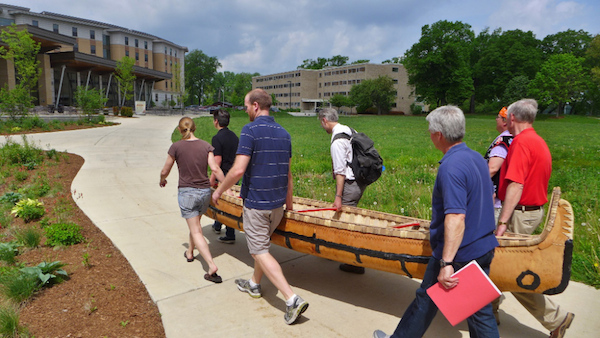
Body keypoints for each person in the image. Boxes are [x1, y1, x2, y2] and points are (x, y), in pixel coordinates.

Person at [374, 106, 499, 338]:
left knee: (426, 300)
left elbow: (456, 216)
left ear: (438, 135)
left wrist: (446, 263)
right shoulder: (477, 158)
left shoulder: (451, 167)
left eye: (430, 131)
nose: (429, 135)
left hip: (459, 254)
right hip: (483, 246)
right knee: (479, 313)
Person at [212, 89, 308, 325]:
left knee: (258, 251)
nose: (245, 110)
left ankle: (291, 299)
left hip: (257, 204)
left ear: (255, 106)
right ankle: (254, 284)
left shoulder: (250, 130)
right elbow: (288, 174)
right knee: (261, 244)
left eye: (246, 106)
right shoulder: (285, 133)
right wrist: (289, 205)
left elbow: (238, 170)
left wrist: (219, 190)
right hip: (277, 205)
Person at [495, 99, 574, 338]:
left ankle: (556, 319)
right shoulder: (538, 141)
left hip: (519, 213)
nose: (505, 119)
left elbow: (516, 185)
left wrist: (502, 222)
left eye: (507, 116)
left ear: (513, 119)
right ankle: (487, 311)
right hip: (530, 211)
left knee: (509, 270)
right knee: (494, 264)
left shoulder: (521, 143)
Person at [160, 117, 225, 284]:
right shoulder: (206, 146)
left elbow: (165, 169)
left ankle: (211, 266)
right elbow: (215, 168)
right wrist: (226, 186)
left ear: (180, 130)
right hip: (204, 193)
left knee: (196, 230)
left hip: (188, 193)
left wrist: (162, 179)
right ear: (194, 128)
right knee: (195, 225)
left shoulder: (176, 146)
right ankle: (190, 252)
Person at [318, 107, 367, 274]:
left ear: (324, 120)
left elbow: (340, 172)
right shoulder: (349, 130)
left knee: (346, 223)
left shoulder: (337, 140)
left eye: (321, 123)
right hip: (360, 180)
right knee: (345, 220)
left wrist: (338, 196)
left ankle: (355, 262)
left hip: (350, 184)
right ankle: (335, 252)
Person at [209, 109, 239, 244]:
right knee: (224, 202)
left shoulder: (217, 138)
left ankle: (230, 233)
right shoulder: (234, 137)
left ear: (216, 122)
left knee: (225, 204)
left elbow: (217, 162)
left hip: (224, 175)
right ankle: (217, 225)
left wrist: (211, 179)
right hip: (234, 174)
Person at [484, 107, 513, 225]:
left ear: (505, 121)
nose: (496, 120)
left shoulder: (503, 141)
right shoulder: (512, 138)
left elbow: (492, 168)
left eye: (498, 117)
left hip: (495, 198)